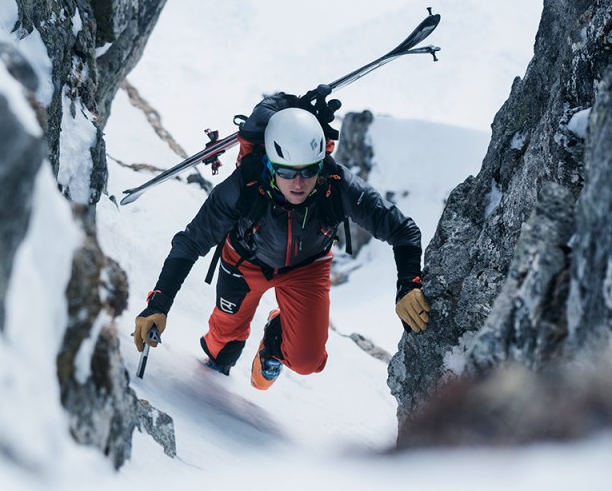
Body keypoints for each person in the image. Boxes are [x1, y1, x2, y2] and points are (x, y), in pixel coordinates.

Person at [132, 106, 431, 390]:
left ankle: (275, 337)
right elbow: (190, 242)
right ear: (270, 165)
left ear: (320, 165)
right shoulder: (242, 186)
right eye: (287, 172)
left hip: (307, 268)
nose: (299, 183)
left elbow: (403, 229)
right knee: (220, 350)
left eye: (308, 171)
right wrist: (158, 304)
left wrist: (408, 284)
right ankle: (228, 351)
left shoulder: (337, 186)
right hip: (245, 262)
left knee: (307, 361)